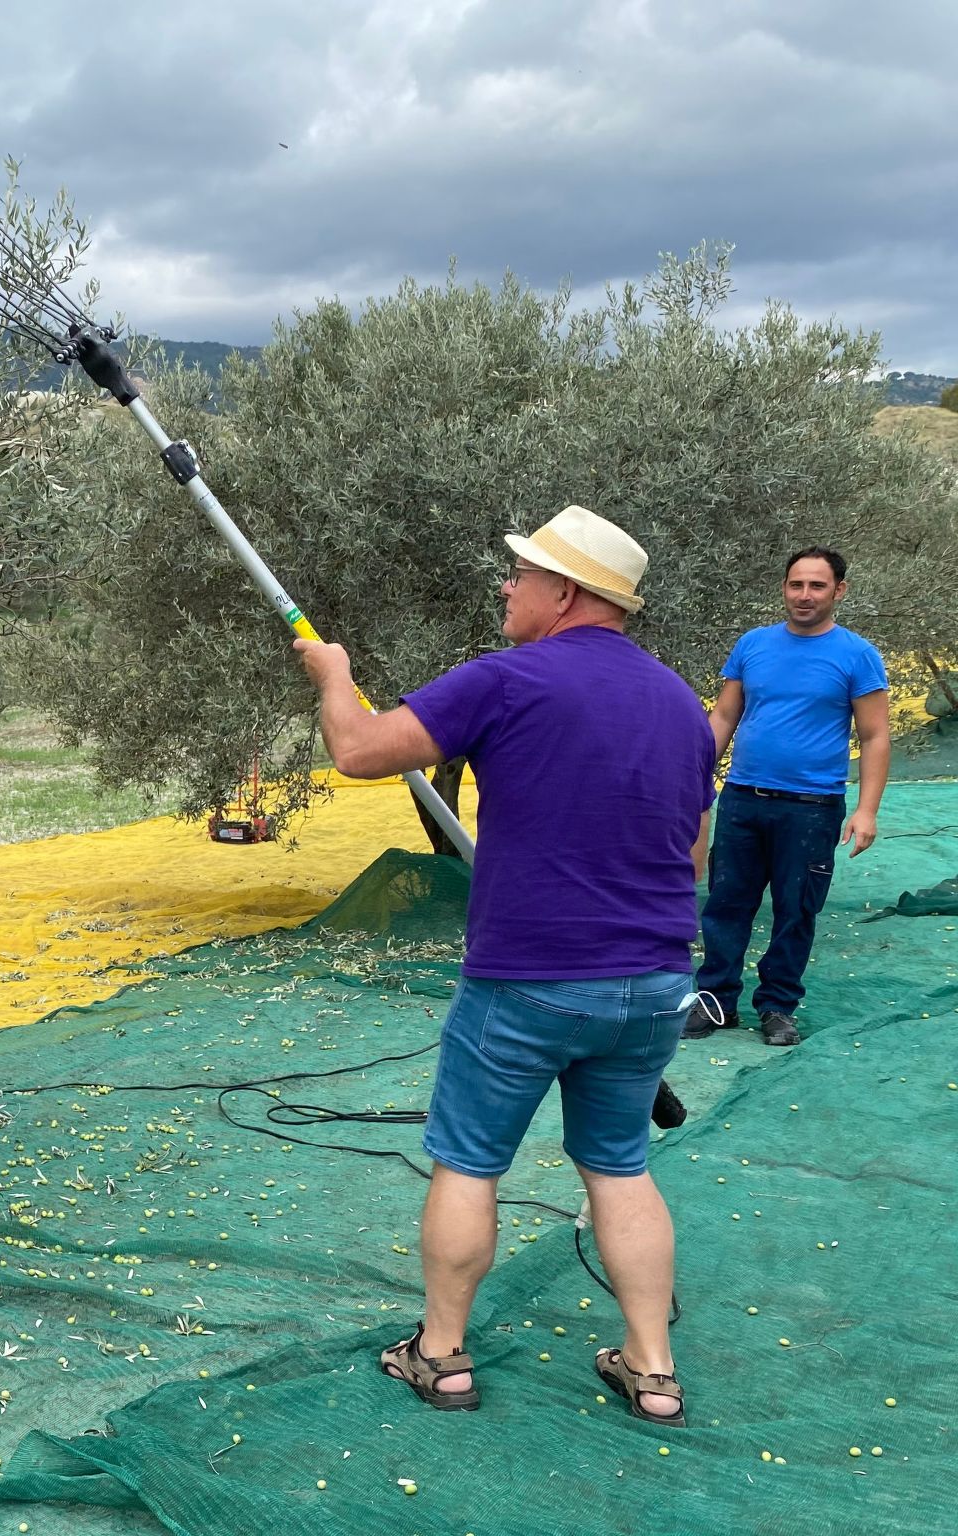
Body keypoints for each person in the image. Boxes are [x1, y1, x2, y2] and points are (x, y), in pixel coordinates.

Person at [292, 504, 714, 1427]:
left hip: (528, 981)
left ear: (565, 594)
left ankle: (440, 1354)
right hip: (650, 986)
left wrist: (337, 675)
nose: (506, 585)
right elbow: (693, 857)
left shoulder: (508, 681)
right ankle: (652, 1370)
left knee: (469, 1163)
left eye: (521, 573)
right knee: (619, 1165)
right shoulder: (683, 705)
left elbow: (359, 749)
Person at [684, 548, 889, 1048]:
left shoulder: (856, 655)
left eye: (817, 586)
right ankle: (716, 1000)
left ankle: (777, 1006)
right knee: (728, 899)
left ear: (838, 591)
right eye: (796, 584)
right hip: (744, 798)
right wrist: (692, 776)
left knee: (796, 908)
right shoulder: (753, 646)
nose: (804, 595)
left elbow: (876, 735)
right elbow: (725, 716)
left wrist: (866, 810)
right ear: (784, 587)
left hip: (813, 806)